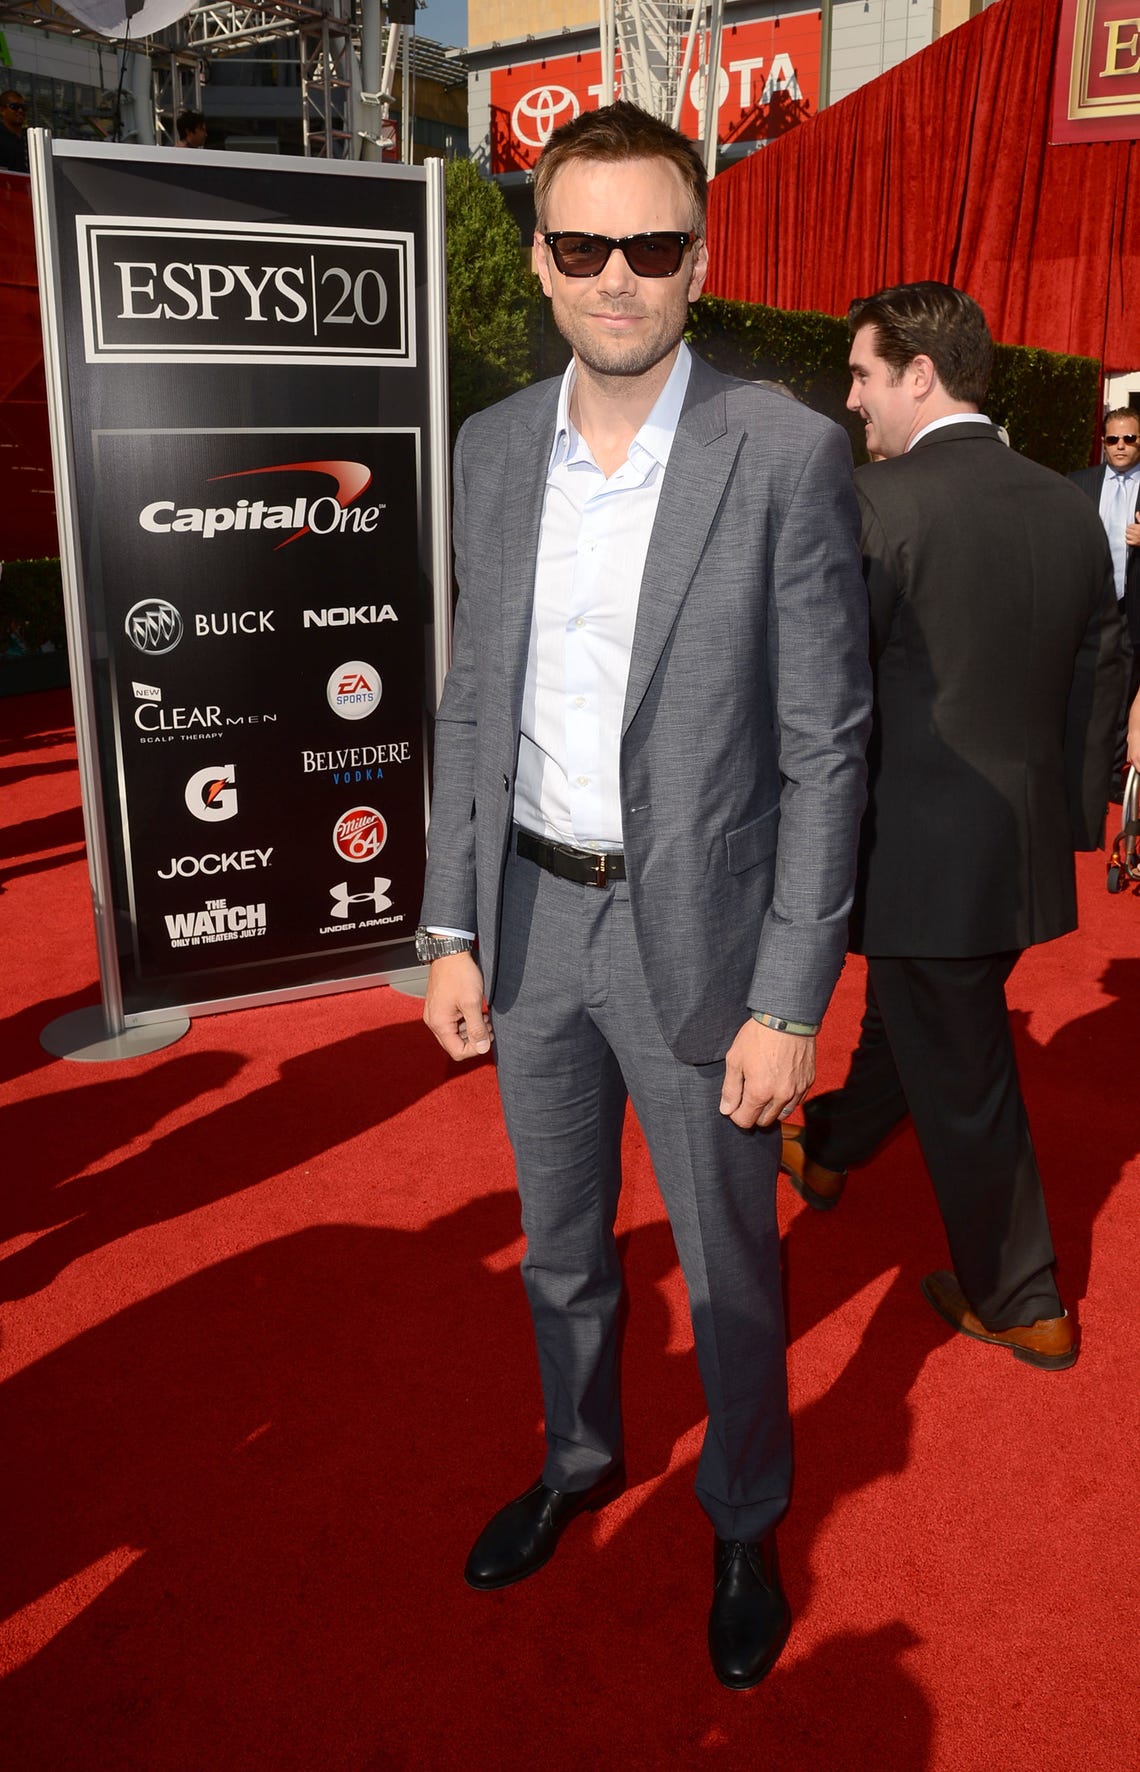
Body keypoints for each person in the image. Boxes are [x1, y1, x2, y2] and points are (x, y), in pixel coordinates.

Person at [417, 100, 871, 1689]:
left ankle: (746, 1513)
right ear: (541, 262)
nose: (620, 277)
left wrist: (789, 998)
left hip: (704, 947)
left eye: (653, 246)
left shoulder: (786, 453)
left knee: (731, 1260)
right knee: (559, 1246)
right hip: (532, 925)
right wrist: (451, 925)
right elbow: (472, 699)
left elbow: (829, 751)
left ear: (699, 261)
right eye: (586, 244)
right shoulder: (486, 450)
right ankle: (580, 1458)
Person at [781, 282, 1126, 1372]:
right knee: (918, 1014)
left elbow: (828, 697)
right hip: (1007, 848)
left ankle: (1024, 1296)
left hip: (920, 855)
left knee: (965, 1071)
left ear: (919, 374)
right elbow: (1101, 667)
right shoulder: (1070, 502)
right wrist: (1066, 819)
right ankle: (831, 1147)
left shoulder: (880, 504)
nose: (851, 399)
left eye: (864, 374)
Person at [1070, 409, 1140, 799]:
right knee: (1081, 683)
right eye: (1113, 439)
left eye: (1129, 439)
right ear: (1103, 442)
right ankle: (1074, 764)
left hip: (1132, 607)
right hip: (1088, 603)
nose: (1121, 447)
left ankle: (1112, 776)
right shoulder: (1079, 484)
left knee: (1121, 689)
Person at [0, 91, 29, 174]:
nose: (20, 110)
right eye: (14, 107)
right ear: (2, 110)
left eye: (23, 107)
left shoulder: (31, 138)